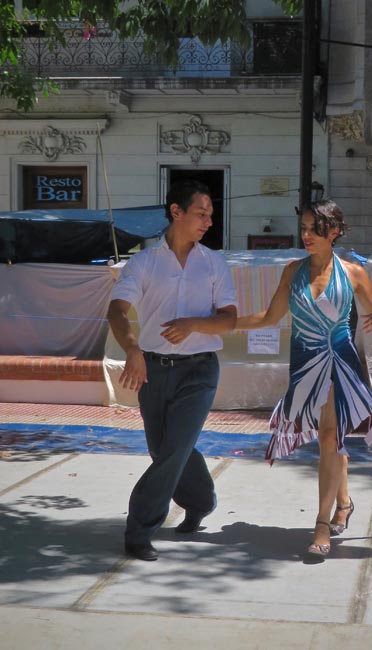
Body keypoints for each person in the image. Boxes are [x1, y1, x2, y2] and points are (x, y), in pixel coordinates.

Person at [236, 200, 372, 559]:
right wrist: (220, 324)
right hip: (305, 361)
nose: (306, 235)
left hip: (340, 361)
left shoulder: (354, 272)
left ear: (334, 232)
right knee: (332, 438)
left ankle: (322, 524)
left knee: (329, 436)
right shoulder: (292, 271)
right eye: (304, 228)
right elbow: (269, 318)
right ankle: (344, 502)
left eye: (314, 228)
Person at [108, 180, 237, 561]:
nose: (208, 221)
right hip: (154, 370)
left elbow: (229, 321)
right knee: (163, 448)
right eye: (201, 213)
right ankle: (201, 501)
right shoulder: (144, 262)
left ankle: (139, 530)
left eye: (211, 215)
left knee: (174, 449)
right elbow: (117, 310)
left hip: (200, 372)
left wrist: (194, 323)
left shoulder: (214, 262)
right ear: (176, 212)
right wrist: (132, 349)